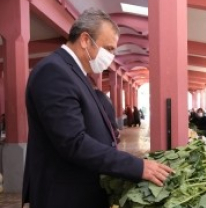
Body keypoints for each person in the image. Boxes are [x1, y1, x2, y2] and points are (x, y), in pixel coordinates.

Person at [22, 8, 172, 208]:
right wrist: (136, 167)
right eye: (108, 48)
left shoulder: (75, 73)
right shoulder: (54, 72)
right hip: (64, 195)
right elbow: (74, 142)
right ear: (85, 40)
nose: (110, 56)